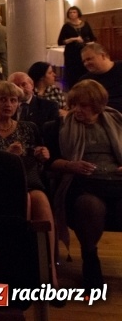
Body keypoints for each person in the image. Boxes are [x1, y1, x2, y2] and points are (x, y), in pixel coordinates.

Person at [0, 81, 58, 287]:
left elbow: (38, 164)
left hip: (26, 181)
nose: (8, 104)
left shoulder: (27, 128)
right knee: (24, 199)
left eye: (13, 100)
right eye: (3, 99)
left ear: (18, 104)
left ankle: (48, 270)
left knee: (40, 200)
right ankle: (20, 266)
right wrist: (6, 158)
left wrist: (42, 156)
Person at [50, 80, 122, 289]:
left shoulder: (117, 120)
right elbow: (50, 162)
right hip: (82, 183)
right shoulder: (60, 126)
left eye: (83, 105)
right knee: (90, 206)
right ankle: (90, 259)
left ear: (98, 105)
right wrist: (71, 165)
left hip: (116, 182)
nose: (76, 110)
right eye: (74, 105)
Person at [58, 6, 96, 88]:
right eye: (70, 12)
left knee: (85, 68)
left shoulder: (85, 24)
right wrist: (73, 39)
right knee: (72, 72)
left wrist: (84, 41)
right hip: (71, 53)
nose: (72, 14)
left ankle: (86, 86)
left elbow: (93, 38)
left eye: (74, 12)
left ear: (78, 13)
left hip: (84, 50)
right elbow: (60, 42)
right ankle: (74, 88)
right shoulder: (66, 26)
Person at [78, 43, 122, 112]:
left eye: (89, 59)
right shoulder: (85, 81)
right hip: (102, 117)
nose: (86, 63)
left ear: (103, 56)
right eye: (84, 61)